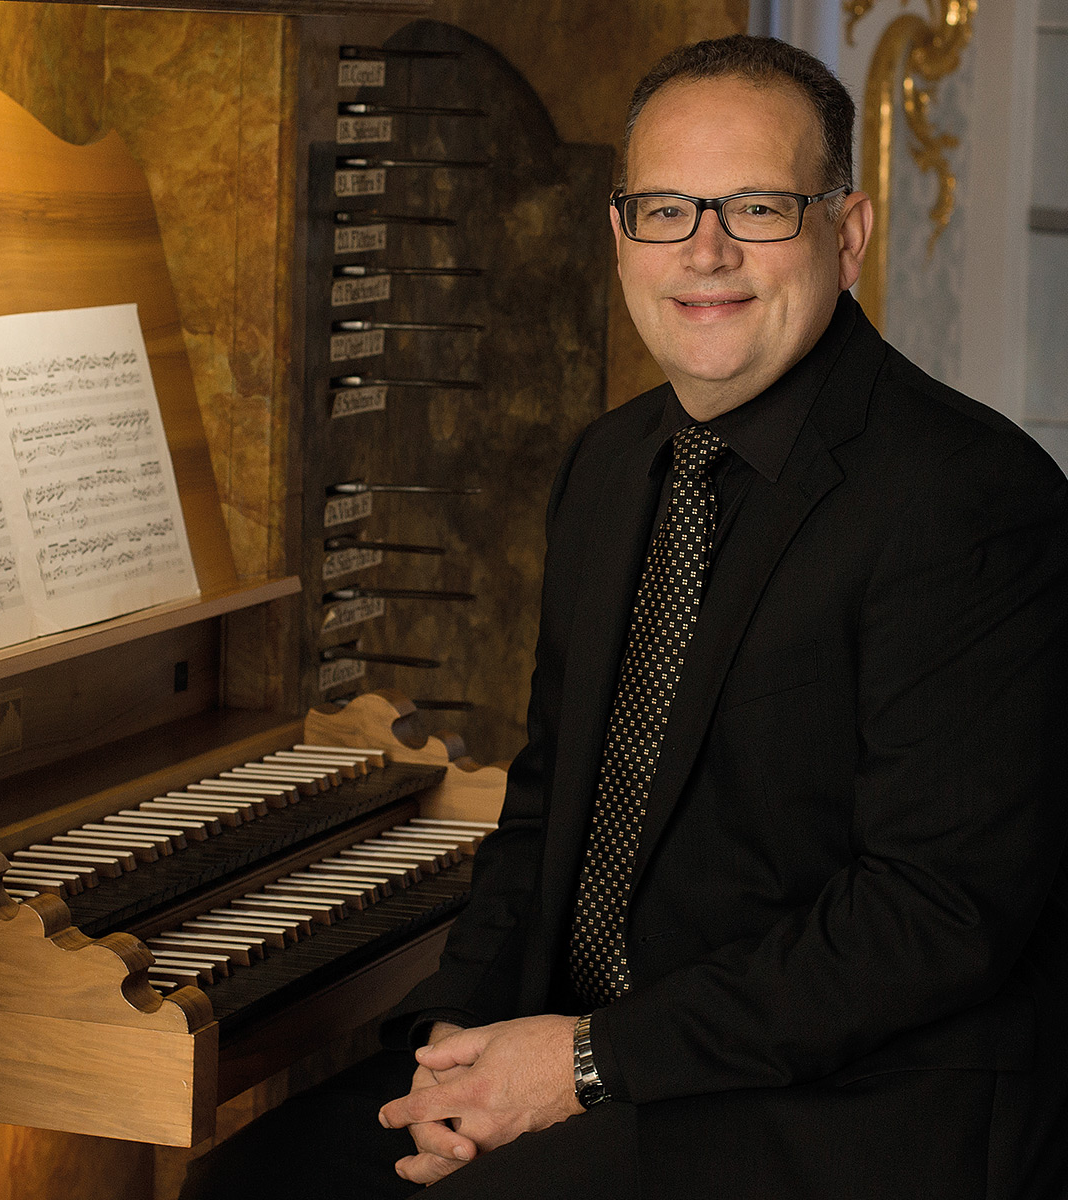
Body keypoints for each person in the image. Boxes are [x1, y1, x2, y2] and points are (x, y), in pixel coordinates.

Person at [181, 34, 1068, 1200]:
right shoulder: (609, 466)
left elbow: (931, 918)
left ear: (847, 234)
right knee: (248, 1187)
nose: (705, 251)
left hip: (851, 1102)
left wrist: (585, 1064)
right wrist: (459, 1042)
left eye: (757, 208)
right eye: (663, 210)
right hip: (608, 1055)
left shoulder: (969, 497)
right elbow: (549, 809)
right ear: (619, 236)